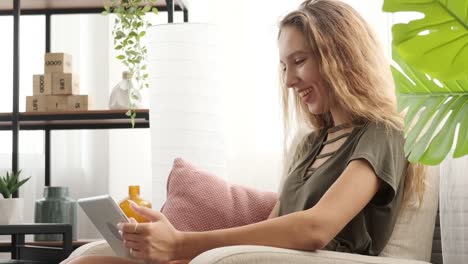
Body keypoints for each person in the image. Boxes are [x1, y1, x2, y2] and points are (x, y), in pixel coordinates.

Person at [67, 0, 425, 263]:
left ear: (341, 56)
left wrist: (182, 244)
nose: (288, 80)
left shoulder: (382, 133)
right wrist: (170, 245)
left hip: (323, 258)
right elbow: (275, 227)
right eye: (284, 66)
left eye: (299, 61)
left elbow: (317, 228)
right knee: (93, 258)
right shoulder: (311, 144)